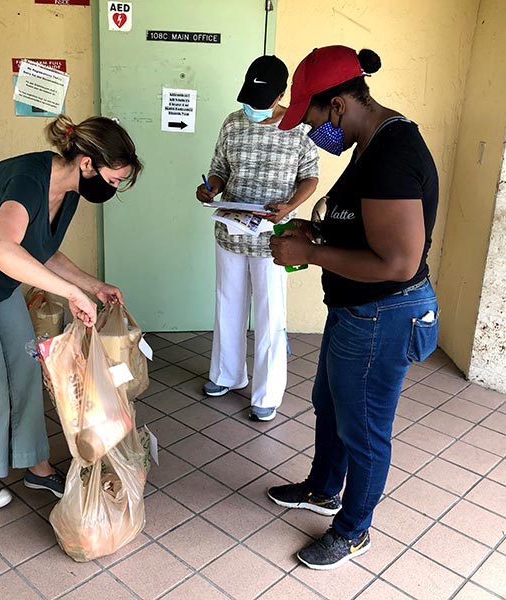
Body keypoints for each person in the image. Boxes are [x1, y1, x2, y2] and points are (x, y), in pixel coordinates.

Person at [0, 115, 142, 510]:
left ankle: (36, 466)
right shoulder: (28, 180)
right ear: (87, 163)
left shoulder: (66, 193)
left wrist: (92, 285)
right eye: (114, 179)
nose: (113, 188)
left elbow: (40, 248)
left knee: (27, 366)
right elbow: (0, 249)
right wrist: (69, 292)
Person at [267, 46, 439, 569]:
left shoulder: (393, 152)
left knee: (362, 428)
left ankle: (353, 530)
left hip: (385, 313)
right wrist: (314, 230)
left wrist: (311, 253)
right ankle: (323, 488)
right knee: (330, 404)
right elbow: (362, 229)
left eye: (315, 119)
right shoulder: (369, 144)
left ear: (338, 105)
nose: (313, 131)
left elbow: (399, 263)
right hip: (355, 310)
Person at [196, 55, 319, 422]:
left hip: (275, 238)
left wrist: (289, 206)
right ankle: (226, 375)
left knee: (270, 315)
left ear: (282, 94)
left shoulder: (299, 129)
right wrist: (210, 188)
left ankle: (267, 393)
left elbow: (310, 178)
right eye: (249, 99)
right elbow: (219, 169)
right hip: (231, 232)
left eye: (262, 102)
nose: (253, 109)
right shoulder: (233, 124)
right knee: (228, 303)